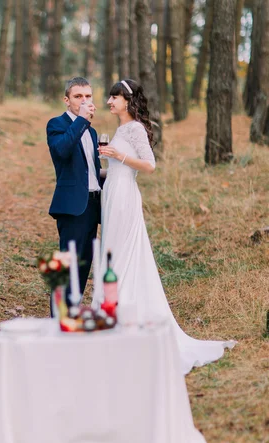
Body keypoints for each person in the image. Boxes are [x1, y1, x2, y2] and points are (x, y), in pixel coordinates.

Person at [97, 79, 235, 375]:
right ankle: (113, 312)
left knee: (122, 255)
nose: (109, 101)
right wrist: (100, 167)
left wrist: (117, 155)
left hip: (125, 198)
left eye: (114, 97)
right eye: (109, 97)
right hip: (112, 194)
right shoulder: (120, 130)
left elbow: (149, 165)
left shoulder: (134, 129)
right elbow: (118, 168)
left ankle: (125, 315)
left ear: (128, 101)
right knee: (112, 252)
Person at [46, 77, 102, 303]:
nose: (84, 101)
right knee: (68, 267)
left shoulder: (92, 131)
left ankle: (73, 314)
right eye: (78, 96)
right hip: (72, 206)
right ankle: (58, 320)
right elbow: (62, 151)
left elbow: (90, 170)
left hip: (93, 205)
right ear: (66, 100)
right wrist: (80, 120)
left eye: (88, 96)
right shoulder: (56, 124)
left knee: (84, 266)